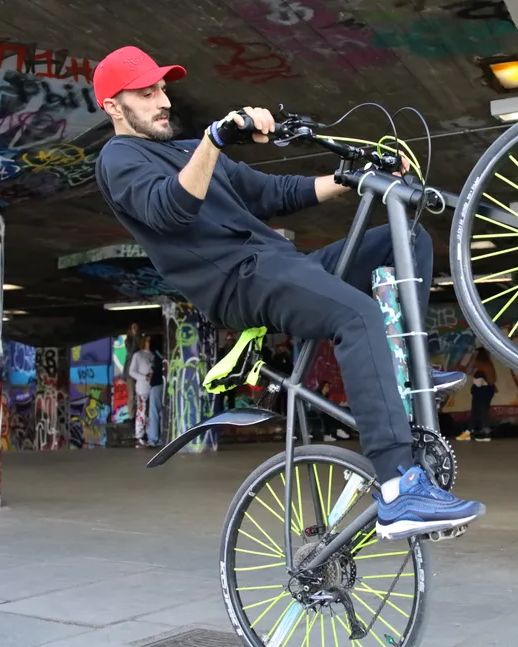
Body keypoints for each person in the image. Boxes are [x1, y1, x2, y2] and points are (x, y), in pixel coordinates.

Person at [91, 46, 485, 541]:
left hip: (282, 264)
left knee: (406, 238)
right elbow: (171, 210)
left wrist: (353, 177)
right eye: (147, 93)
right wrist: (215, 140)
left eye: (163, 89)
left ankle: (410, 368)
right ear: (113, 105)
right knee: (358, 315)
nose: (163, 101)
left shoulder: (187, 149)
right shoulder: (119, 159)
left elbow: (273, 192)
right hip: (240, 282)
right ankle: (397, 489)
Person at [457, 347, 497, 442]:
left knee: (481, 411)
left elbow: (467, 371)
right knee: (477, 412)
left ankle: (484, 433)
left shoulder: (481, 365)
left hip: (482, 391)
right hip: (485, 390)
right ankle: (470, 432)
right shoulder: (487, 364)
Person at [128, 335, 155, 447]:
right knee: (141, 412)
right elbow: (131, 371)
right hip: (142, 388)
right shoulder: (138, 355)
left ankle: (149, 434)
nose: (149, 343)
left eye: (151, 341)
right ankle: (139, 435)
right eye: (147, 340)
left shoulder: (154, 355)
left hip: (153, 388)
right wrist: (144, 377)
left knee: (150, 413)